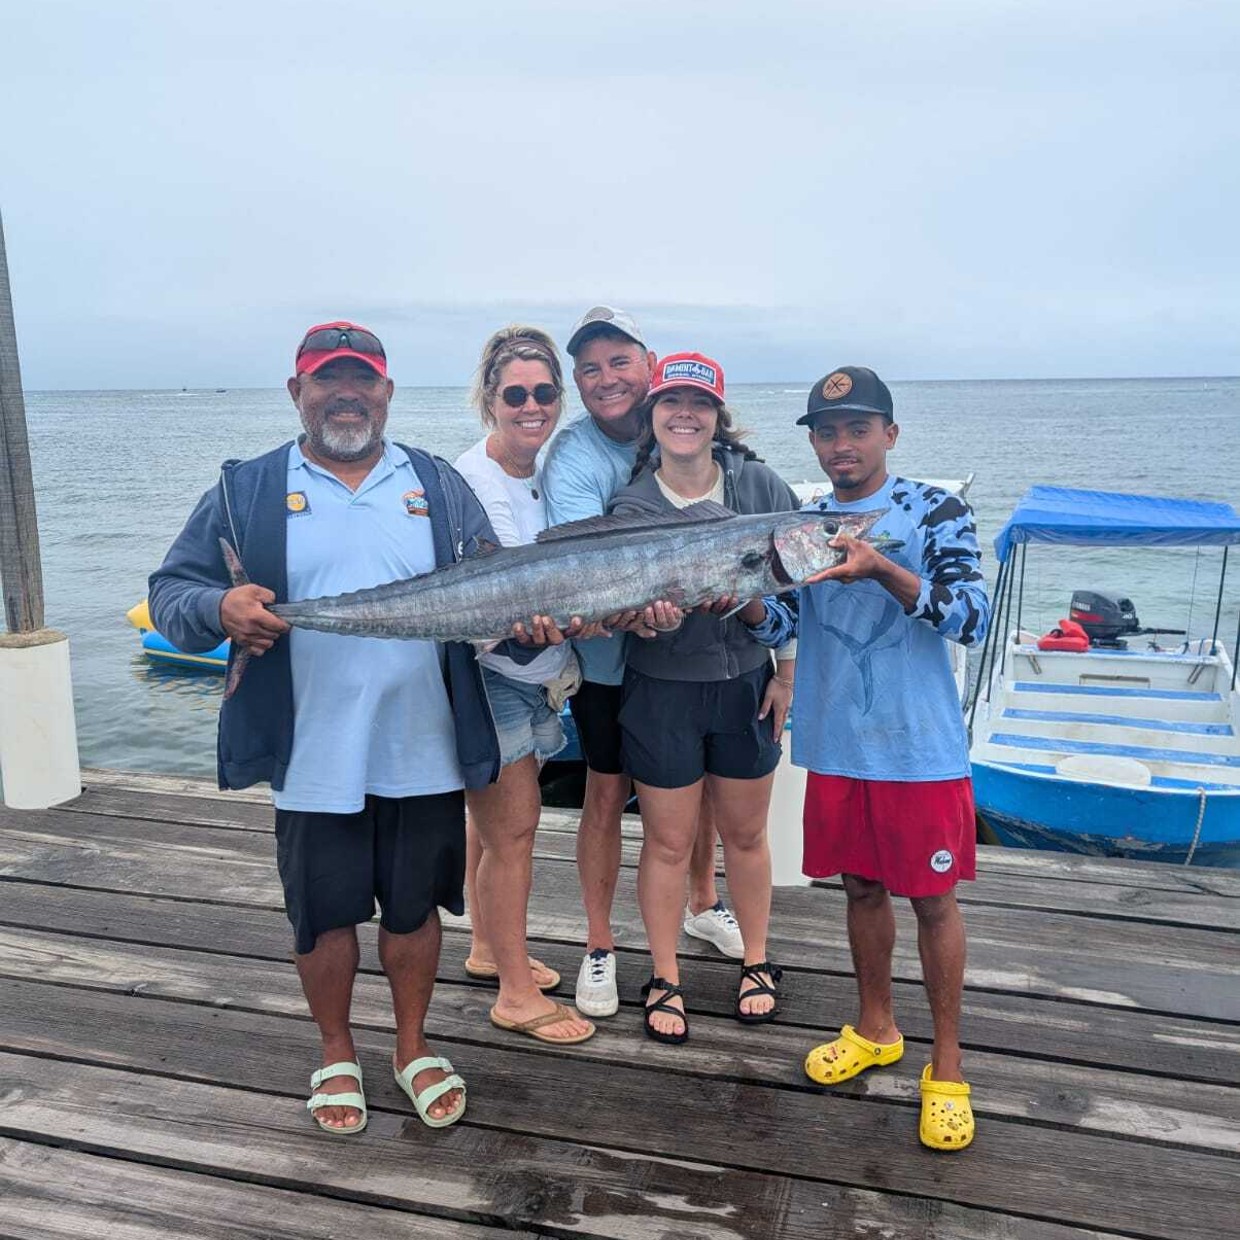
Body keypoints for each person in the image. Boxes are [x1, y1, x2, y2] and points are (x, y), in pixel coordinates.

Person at [149, 321, 508, 1134]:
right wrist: (217, 607)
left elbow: (495, 586)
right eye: (326, 381)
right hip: (313, 754)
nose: (346, 394)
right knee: (323, 914)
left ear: (387, 391)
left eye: (362, 380)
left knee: (416, 912)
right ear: (296, 392)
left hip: (426, 749)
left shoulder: (439, 483)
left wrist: (542, 619)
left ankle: (412, 1047)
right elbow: (172, 592)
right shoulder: (246, 490)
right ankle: (337, 1050)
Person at [749, 365, 989, 1150]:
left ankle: (946, 1066)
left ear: (890, 433)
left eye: (857, 428)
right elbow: (777, 619)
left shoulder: (936, 509)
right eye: (826, 430)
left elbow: (970, 618)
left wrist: (881, 566)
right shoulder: (802, 523)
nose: (841, 444)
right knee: (858, 890)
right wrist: (738, 599)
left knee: (932, 901)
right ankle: (875, 1028)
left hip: (919, 749)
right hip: (839, 743)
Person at [543, 307, 744, 1020]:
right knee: (605, 793)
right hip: (608, 662)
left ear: (649, 363)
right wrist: (633, 611)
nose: (606, 380)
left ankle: (703, 901)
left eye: (619, 362)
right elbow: (569, 571)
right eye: (589, 369)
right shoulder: (574, 459)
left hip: (686, 660)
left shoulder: (686, 431)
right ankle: (599, 943)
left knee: (701, 795)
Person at [607, 352, 799, 1043]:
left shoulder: (760, 485)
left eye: (700, 403)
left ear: (719, 416)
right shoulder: (631, 506)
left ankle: (756, 959)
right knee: (667, 841)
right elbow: (618, 612)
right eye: (671, 403)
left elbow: (793, 597)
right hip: (662, 692)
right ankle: (665, 975)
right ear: (651, 416)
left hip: (746, 686)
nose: (685, 415)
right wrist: (639, 618)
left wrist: (785, 671)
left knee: (747, 835)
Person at [453, 326, 595, 1045]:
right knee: (515, 831)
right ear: (490, 399)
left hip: (543, 674)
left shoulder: (549, 470)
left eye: (544, 392)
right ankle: (513, 992)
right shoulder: (469, 481)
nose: (531, 405)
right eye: (516, 394)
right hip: (490, 676)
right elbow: (494, 605)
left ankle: (487, 950)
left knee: (489, 827)